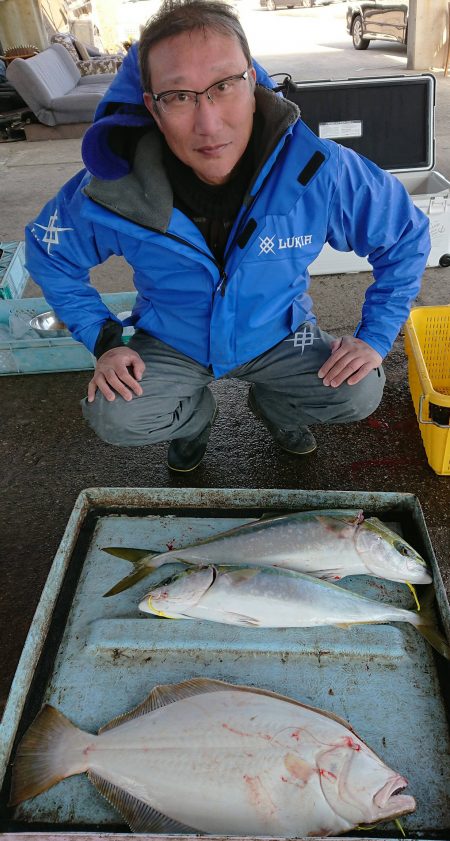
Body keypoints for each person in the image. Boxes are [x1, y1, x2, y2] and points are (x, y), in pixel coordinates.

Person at [25, 0, 430, 472]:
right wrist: (103, 338)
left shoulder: (320, 171)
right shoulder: (115, 189)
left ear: (253, 82)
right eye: (179, 95)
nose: (208, 123)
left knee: (360, 388)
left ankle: (278, 409)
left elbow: (405, 236)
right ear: (151, 107)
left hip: (280, 334)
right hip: (171, 339)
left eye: (223, 85)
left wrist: (375, 337)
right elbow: (48, 253)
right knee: (113, 413)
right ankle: (193, 422)